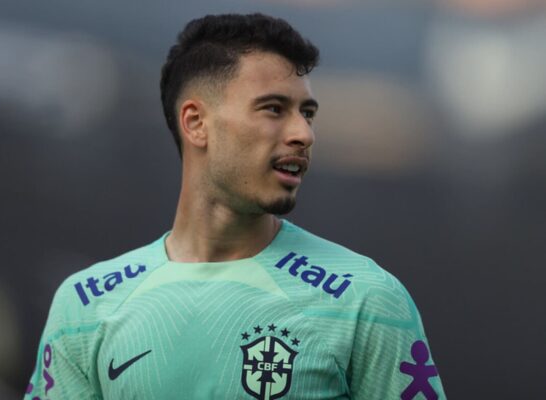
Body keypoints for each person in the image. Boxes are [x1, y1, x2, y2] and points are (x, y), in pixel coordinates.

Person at [25, 13, 446, 400]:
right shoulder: (85, 305)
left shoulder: (366, 299)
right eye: (274, 109)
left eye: (308, 113)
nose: (303, 133)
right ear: (196, 123)